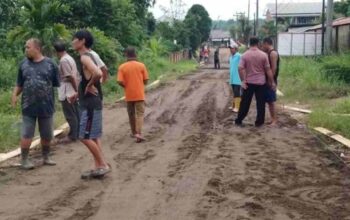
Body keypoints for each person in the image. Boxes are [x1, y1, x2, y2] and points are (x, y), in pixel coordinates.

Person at [12, 38, 60, 169]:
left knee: (47, 134)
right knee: (27, 133)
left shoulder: (51, 64)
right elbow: (19, 83)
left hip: (46, 106)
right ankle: (24, 160)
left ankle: (46, 157)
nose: (25, 50)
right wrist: (14, 95)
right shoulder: (23, 64)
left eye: (28, 47)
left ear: (37, 48)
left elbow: (55, 84)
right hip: (28, 106)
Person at [72, 30, 110, 179]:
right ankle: (98, 166)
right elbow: (102, 71)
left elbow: (98, 73)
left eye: (74, 39)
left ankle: (103, 165)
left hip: (90, 104)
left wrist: (89, 86)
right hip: (93, 102)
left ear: (82, 41)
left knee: (83, 136)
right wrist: (81, 89)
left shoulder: (84, 57)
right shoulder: (93, 55)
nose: (72, 41)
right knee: (93, 136)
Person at [235, 36, 276, 127]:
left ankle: (239, 120)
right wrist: (272, 82)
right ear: (258, 43)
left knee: (245, 103)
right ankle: (259, 122)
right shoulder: (263, 55)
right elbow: (268, 70)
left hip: (249, 83)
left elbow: (240, 68)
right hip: (261, 83)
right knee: (260, 104)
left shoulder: (245, 55)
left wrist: (242, 81)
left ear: (250, 43)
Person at [117, 47, 149, 143]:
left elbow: (119, 81)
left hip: (129, 95)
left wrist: (126, 86)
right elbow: (146, 80)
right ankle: (138, 133)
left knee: (131, 114)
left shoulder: (122, 67)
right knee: (140, 114)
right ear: (135, 54)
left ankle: (133, 132)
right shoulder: (141, 66)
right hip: (139, 94)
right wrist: (140, 83)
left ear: (126, 54)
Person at [54, 41, 80, 143]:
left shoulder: (63, 61)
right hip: (71, 89)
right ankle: (77, 133)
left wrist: (75, 89)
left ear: (55, 51)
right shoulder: (69, 58)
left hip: (67, 90)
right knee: (75, 112)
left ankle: (73, 135)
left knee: (70, 114)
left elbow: (70, 77)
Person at [262, 37, 280, 125]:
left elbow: (274, 68)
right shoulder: (268, 53)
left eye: (263, 44)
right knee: (269, 101)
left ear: (266, 43)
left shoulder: (273, 53)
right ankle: (272, 119)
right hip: (268, 80)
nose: (262, 46)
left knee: (271, 102)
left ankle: (274, 120)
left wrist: (271, 81)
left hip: (271, 80)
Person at [229, 44, 241, 113]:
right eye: (230, 48)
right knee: (234, 92)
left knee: (237, 92)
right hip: (232, 78)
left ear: (236, 49)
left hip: (238, 78)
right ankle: (234, 106)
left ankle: (237, 107)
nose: (231, 49)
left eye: (232, 48)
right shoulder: (231, 57)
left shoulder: (239, 56)